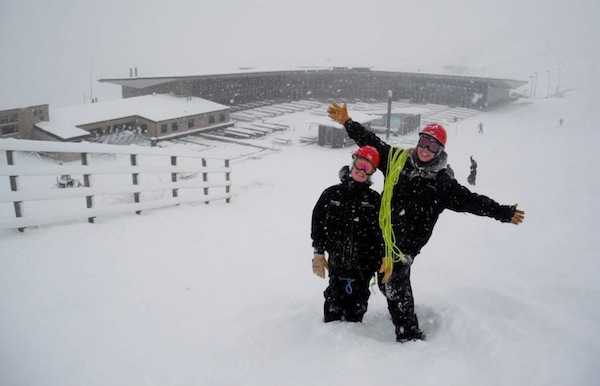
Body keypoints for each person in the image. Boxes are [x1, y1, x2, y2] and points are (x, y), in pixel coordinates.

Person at [327, 102, 525, 342]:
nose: (425, 149)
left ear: (440, 150)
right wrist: (348, 123)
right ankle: (365, 311)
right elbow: (371, 141)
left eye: (432, 146)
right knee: (380, 280)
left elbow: (473, 201)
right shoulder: (397, 161)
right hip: (382, 236)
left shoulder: (442, 185)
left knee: (395, 286)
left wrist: (502, 212)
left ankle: (409, 334)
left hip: (405, 247)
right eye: (423, 142)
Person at [311, 146, 385, 323]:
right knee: (333, 305)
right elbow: (318, 223)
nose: (362, 171)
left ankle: (352, 341)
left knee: (355, 310)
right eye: (360, 164)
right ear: (352, 164)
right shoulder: (331, 194)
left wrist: (383, 255)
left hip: (363, 267)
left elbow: (381, 232)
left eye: (368, 169)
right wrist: (318, 252)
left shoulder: (374, 200)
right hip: (337, 263)